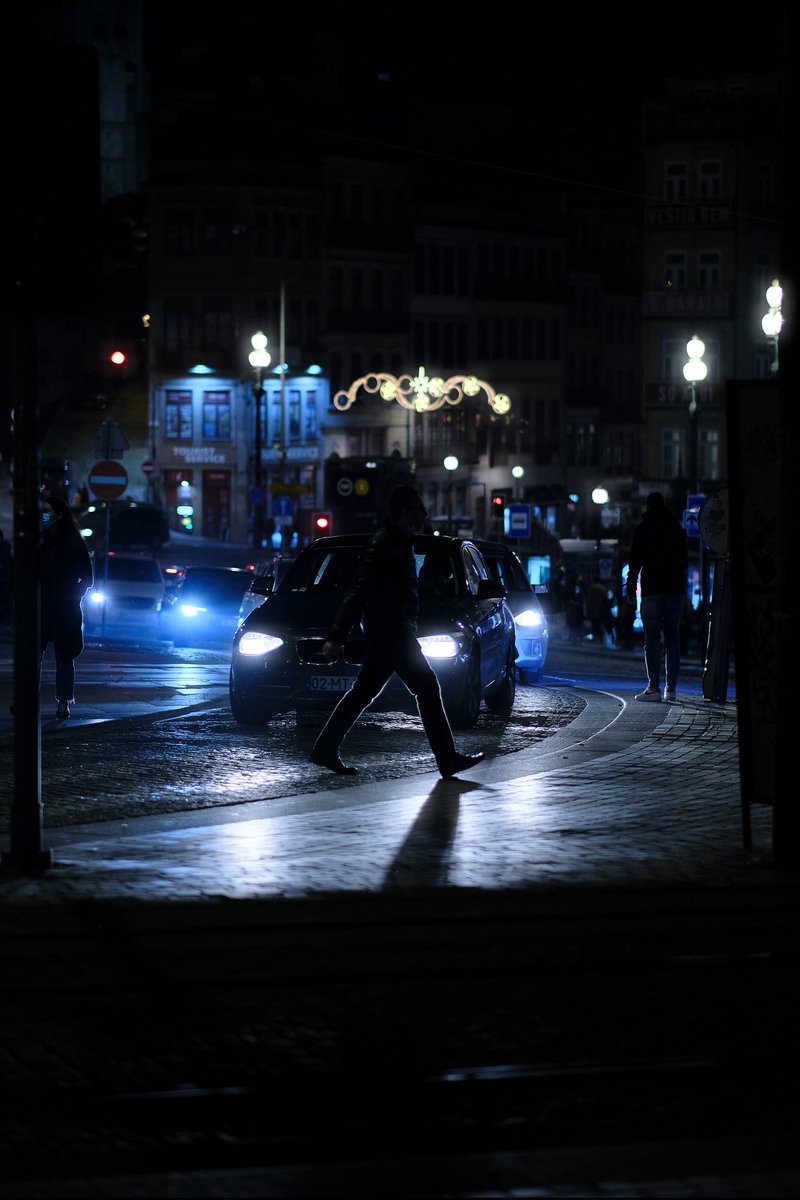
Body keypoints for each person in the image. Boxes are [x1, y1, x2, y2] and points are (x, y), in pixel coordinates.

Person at [309, 484, 484, 778]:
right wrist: (337, 635)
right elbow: (359, 591)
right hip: (390, 632)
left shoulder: (400, 543)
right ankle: (447, 759)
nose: (425, 515)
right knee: (426, 688)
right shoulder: (386, 545)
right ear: (404, 512)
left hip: (391, 630)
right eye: (419, 510)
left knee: (364, 692)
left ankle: (325, 749)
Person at [625, 491, 689, 703]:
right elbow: (685, 561)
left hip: (652, 590)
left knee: (651, 639)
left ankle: (653, 687)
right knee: (673, 640)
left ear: (648, 506)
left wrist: (631, 589)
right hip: (674, 590)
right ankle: (671, 689)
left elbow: (635, 561)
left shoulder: (644, 529)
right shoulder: (676, 529)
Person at [39, 494, 94, 719]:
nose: (42, 515)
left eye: (46, 511)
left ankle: (63, 702)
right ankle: (25, 702)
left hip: (64, 608)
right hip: (40, 606)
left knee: (65, 656)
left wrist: (73, 595)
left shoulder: (72, 542)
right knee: (31, 656)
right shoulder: (38, 540)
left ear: (59, 515)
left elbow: (87, 578)